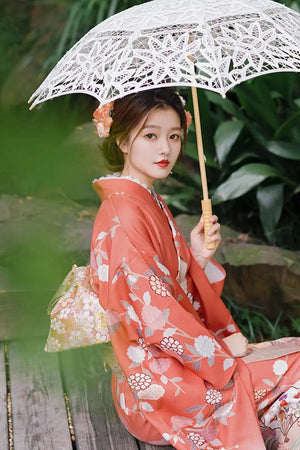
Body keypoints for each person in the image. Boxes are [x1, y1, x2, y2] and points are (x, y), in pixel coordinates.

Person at [46, 88, 300, 449]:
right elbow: (157, 317)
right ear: (121, 141)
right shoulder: (125, 215)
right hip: (158, 391)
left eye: (174, 136)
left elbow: (165, 290)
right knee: (295, 366)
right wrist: (222, 351)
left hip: (159, 374)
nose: (165, 149)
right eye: (150, 135)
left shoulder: (143, 199)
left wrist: (196, 258)